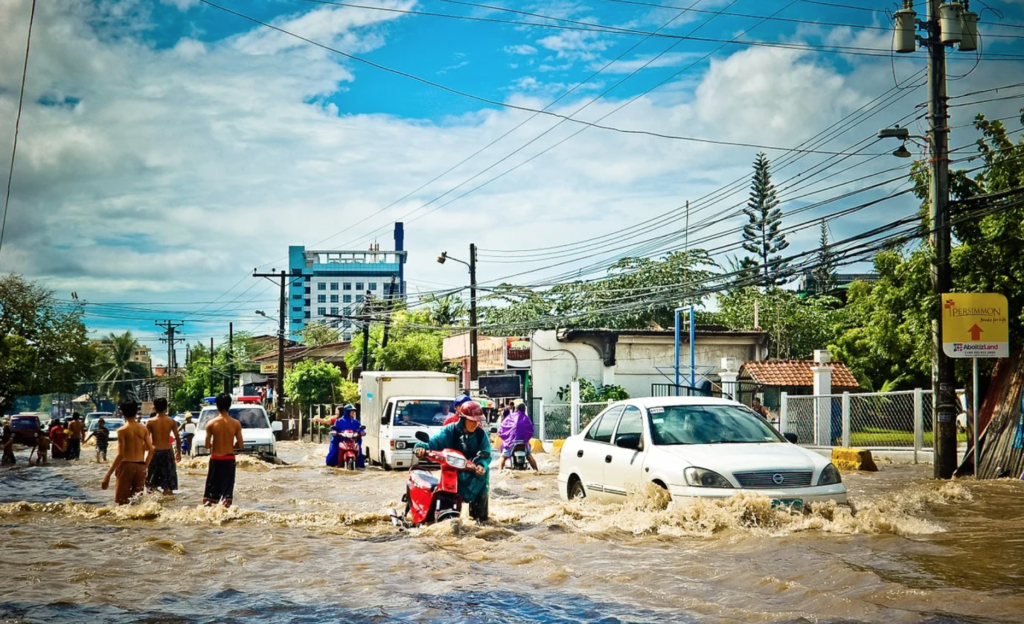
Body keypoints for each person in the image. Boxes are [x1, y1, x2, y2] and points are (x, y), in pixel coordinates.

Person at [414, 400, 491, 521]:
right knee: (447, 508)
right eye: (471, 420)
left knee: (481, 520)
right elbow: (434, 443)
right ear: (463, 418)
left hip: (476, 475)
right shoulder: (450, 431)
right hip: (454, 473)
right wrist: (421, 448)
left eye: (477, 421)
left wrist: (482, 465)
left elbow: (486, 453)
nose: (475, 424)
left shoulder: (481, 435)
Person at [102, 401, 154, 505]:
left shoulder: (122, 430)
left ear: (122, 413)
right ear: (136, 412)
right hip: (140, 466)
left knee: (122, 502)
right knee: (136, 502)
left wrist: (108, 475)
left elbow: (120, 455)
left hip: (126, 466)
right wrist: (145, 466)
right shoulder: (143, 428)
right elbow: (151, 449)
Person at [203, 393, 244, 507]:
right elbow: (240, 445)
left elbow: (207, 446)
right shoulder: (236, 424)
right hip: (229, 459)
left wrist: (215, 443)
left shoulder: (211, 424)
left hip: (215, 459)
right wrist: (231, 445)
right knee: (227, 494)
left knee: (210, 496)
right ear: (230, 405)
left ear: (217, 406)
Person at [145, 398, 181, 495]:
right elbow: (178, 438)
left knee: (151, 485)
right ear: (166, 407)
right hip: (167, 453)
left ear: (154, 408)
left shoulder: (150, 422)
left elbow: (145, 440)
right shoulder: (171, 421)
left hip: (154, 453)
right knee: (168, 486)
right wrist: (179, 453)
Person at [497, 402, 539, 472]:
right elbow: (531, 430)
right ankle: (536, 471)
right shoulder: (527, 418)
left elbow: (502, 427)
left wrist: (501, 433)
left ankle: (499, 471)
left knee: (503, 457)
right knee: (529, 456)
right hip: (523, 443)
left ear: (516, 409)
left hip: (511, 442)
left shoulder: (510, 416)